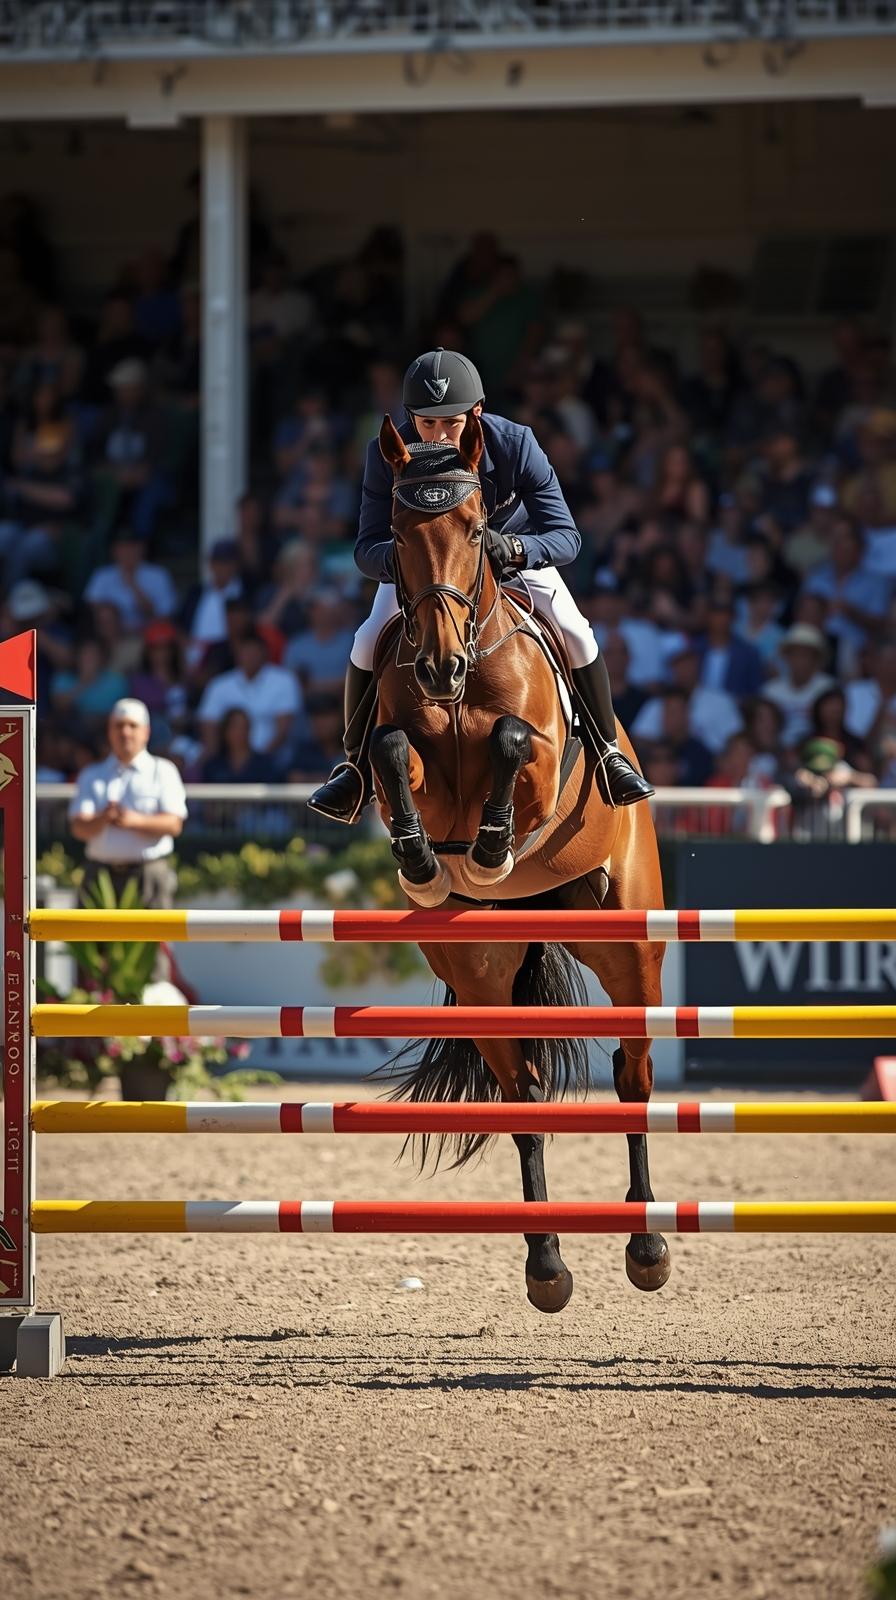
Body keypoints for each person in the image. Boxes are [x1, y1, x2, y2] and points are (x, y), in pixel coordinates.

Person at [308, 347, 653, 822]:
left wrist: (513, 548)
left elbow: (566, 536)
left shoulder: (514, 443)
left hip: (508, 559)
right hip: (427, 573)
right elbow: (367, 547)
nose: (439, 435)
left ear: (476, 413)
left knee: (574, 630)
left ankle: (609, 752)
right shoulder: (386, 452)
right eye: (427, 424)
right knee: (368, 637)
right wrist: (413, 560)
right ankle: (354, 771)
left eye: (450, 422)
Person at [68, 698, 187, 908]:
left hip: (148, 874)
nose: (125, 732)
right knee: (94, 941)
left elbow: (174, 824)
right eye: (119, 725)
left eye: (132, 725)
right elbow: (79, 828)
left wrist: (133, 821)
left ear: (146, 732)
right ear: (109, 731)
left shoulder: (163, 771)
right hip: (99, 875)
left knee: (151, 940)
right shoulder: (91, 774)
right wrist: (105, 818)